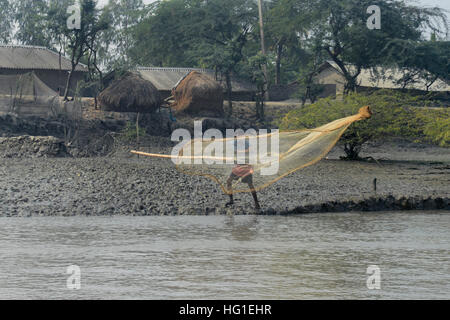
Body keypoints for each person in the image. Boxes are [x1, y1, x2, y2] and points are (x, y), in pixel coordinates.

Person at [225, 139, 261, 211]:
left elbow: (252, 159)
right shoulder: (236, 145)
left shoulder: (247, 146)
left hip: (246, 169)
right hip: (238, 169)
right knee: (229, 181)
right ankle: (231, 200)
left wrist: (251, 169)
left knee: (250, 185)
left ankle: (256, 203)